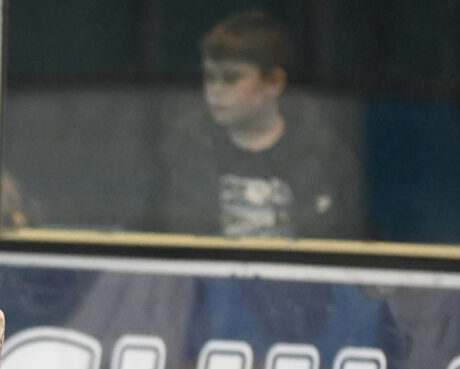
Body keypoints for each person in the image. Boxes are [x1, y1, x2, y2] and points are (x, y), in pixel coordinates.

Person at [156, 9, 365, 240]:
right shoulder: (185, 149)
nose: (215, 91)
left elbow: (342, 241)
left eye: (231, 78)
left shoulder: (326, 153)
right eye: (210, 77)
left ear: (274, 83)